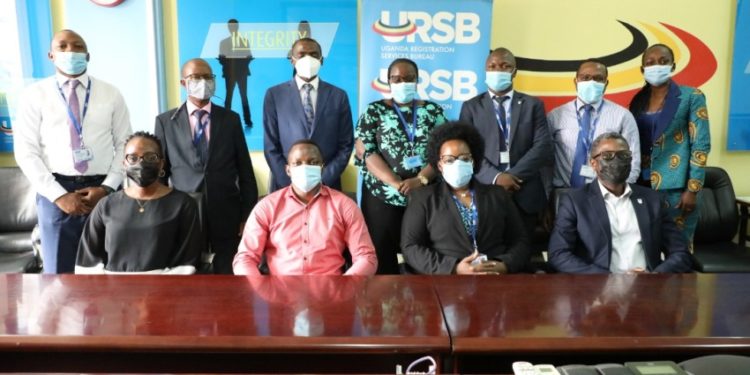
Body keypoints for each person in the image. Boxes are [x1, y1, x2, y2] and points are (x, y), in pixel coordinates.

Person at [13, 29, 132, 274]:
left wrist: (107, 187)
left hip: (103, 192)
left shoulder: (111, 94)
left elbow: (126, 144)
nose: (70, 51)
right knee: (59, 275)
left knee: (111, 271)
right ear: (51, 55)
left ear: (87, 55)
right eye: (63, 46)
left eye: (77, 46)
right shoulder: (34, 95)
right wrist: (59, 196)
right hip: (56, 192)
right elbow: (26, 151)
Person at [155, 58, 258, 274]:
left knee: (228, 279)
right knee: (189, 281)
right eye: (196, 77)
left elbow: (245, 171)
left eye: (208, 77)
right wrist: (163, 217)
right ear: (184, 83)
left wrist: (246, 216)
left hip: (227, 215)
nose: (203, 82)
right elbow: (160, 177)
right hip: (184, 215)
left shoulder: (230, 119)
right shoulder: (165, 122)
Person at [548, 132, 693, 274]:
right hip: (598, 290)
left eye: (623, 155)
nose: (616, 160)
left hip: (647, 287)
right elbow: (558, 254)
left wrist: (654, 277)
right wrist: (607, 279)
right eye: (608, 156)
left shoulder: (652, 199)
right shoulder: (575, 201)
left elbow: (680, 253)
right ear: (593, 163)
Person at [355, 58, 447, 274]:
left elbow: (445, 151)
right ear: (388, 81)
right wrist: (396, 182)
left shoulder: (433, 111)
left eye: (408, 78)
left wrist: (420, 179)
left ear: (417, 81)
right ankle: (385, 303)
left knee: (423, 250)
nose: (402, 82)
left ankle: (423, 302)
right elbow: (366, 151)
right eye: (396, 79)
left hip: (424, 194)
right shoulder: (374, 111)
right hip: (382, 195)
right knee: (382, 254)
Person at [401, 122, 530, 274]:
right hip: (446, 283)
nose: (457, 164)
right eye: (449, 160)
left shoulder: (498, 195)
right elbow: (410, 247)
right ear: (440, 165)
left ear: (473, 161)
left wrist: (504, 265)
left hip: (496, 279)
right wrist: (454, 268)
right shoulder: (423, 198)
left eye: (464, 158)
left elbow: (520, 240)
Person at [233, 140, 377, 276]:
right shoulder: (267, 206)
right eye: (297, 163)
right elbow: (245, 258)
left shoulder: (344, 205)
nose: (305, 168)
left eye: (312, 162)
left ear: (322, 167)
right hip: (279, 293)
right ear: (288, 170)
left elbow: (366, 257)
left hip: (330, 293)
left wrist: (343, 287)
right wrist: (262, 290)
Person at [459, 47, 552, 244]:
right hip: (486, 192)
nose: (498, 70)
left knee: (523, 252)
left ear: (514, 71)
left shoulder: (533, 105)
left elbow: (543, 146)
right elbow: (466, 149)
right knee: (489, 250)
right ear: (485, 71)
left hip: (524, 192)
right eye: (492, 66)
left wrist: (512, 177)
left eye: (505, 66)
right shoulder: (471, 106)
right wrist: (497, 177)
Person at [75, 132, 201, 274]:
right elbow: (88, 262)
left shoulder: (183, 205)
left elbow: (187, 262)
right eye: (132, 158)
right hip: (113, 290)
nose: (140, 163)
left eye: (150, 157)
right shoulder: (106, 205)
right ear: (124, 164)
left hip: (165, 288)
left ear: (161, 164)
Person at [629, 44, 711, 243]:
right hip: (641, 186)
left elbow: (701, 144)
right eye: (650, 63)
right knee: (645, 248)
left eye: (663, 61)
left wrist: (692, 190)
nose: (656, 66)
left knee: (677, 249)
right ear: (642, 70)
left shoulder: (691, 96)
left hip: (676, 189)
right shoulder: (637, 101)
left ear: (672, 66)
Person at [263, 37, 353, 191]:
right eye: (301, 54)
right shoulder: (274, 95)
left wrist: (323, 181)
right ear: (292, 60)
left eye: (313, 54)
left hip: (327, 185)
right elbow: (271, 146)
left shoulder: (338, 96)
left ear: (321, 60)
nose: (308, 59)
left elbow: (346, 145)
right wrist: (290, 183)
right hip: (286, 186)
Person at [547, 58, 641, 189]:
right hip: (563, 193)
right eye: (585, 77)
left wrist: (619, 193)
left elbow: (634, 159)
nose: (591, 82)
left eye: (598, 78)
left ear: (606, 83)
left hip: (607, 194)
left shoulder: (622, 116)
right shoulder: (555, 116)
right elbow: (545, 159)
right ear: (576, 81)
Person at [218, 19, 253, 127]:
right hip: (230, 72)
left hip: (241, 72)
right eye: (230, 27)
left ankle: (247, 120)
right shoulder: (223, 42)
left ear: (237, 27)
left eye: (234, 26)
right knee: (229, 96)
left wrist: (245, 60)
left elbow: (249, 55)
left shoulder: (244, 41)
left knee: (243, 96)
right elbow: (221, 58)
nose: (232, 28)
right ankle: (225, 120)